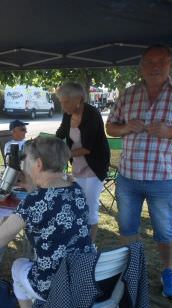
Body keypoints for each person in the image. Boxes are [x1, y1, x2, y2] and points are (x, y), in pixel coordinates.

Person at [106, 44, 172, 300]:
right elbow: (111, 128)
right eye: (149, 62)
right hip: (128, 176)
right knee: (127, 228)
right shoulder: (128, 95)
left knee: (165, 230)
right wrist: (126, 127)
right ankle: (131, 270)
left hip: (163, 179)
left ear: (171, 64)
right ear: (141, 66)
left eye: (161, 61)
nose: (155, 66)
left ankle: (168, 271)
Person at [0, 136, 96, 308]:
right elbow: (50, 198)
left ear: (38, 164)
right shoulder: (76, 190)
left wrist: (0, 225)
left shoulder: (33, 202)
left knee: (18, 265)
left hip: (54, 287)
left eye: (26, 159)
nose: (23, 164)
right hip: (85, 279)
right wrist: (30, 184)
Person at [55, 81, 110, 241]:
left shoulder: (92, 114)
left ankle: (89, 246)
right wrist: (46, 144)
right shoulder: (67, 114)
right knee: (78, 203)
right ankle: (79, 238)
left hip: (95, 166)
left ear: (78, 99)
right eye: (61, 102)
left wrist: (61, 156)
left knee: (90, 207)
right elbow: (60, 133)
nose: (63, 106)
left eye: (65, 102)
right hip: (78, 165)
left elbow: (87, 148)